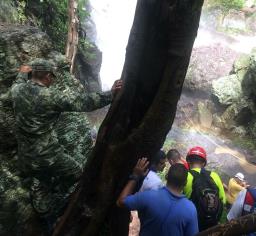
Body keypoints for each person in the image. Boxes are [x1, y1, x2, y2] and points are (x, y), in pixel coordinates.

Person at [11, 59, 122, 230]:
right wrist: (111, 94)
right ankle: (55, 211)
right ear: (47, 76)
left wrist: (22, 72)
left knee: (42, 179)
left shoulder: (17, 91)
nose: (53, 80)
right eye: (52, 77)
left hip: (25, 158)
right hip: (47, 156)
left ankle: (43, 207)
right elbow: (84, 103)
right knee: (77, 172)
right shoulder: (50, 97)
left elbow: (19, 80)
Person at [117, 159, 199, 236]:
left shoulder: (149, 196)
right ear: (185, 183)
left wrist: (135, 176)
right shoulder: (191, 209)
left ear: (167, 176)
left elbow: (120, 202)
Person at [183, 146, 226, 231]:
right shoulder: (214, 176)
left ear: (188, 161)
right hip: (212, 223)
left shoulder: (185, 176)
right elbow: (223, 200)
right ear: (203, 163)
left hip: (192, 223)